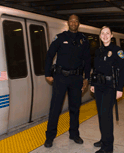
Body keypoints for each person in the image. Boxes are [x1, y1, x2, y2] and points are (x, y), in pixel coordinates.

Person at [44, 14, 91, 148]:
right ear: (68, 23)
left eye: (76, 21)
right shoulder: (60, 38)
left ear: (78, 23)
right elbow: (49, 55)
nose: (73, 23)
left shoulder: (83, 40)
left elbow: (87, 60)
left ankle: (74, 134)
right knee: (55, 108)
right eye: (71, 20)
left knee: (75, 108)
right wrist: (47, 73)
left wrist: (86, 78)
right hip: (60, 77)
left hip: (76, 78)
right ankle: (50, 137)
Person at [90, 26, 124, 153]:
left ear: (111, 36)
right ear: (100, 36)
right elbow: (95, 69)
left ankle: (108, 147)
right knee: (101, 115)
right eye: (102, 33)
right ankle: (103, 139)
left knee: (106, 116)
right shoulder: (98, 51)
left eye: (107, 33)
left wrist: (119, 89)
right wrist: (92, 83)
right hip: (99, 87)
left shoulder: (117, 50)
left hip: (110, 87)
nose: (105, 36)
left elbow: (122, 71)